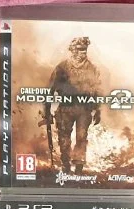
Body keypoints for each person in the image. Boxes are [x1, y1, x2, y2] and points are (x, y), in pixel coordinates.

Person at [47, 37, 101, 173]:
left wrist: (98, 110)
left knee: (81, 137)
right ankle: (66, 164)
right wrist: (46, 110)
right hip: (66, 107)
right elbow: (50, 89)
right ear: (73, 50)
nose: (83, 52)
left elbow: (97, 90)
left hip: (84, 109)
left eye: (85, 49)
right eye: (80, 49)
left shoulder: (92, 69)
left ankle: (78, 167)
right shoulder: (62, 67)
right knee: (64, 137)